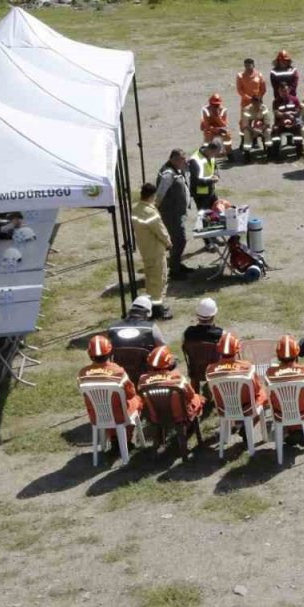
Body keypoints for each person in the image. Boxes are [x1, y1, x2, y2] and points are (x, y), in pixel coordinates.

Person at [78, 334, 142, 433]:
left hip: (97, 416)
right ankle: (127, 439)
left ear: (90, 354)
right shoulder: (118, 372)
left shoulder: (82, 374)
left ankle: (113, 439)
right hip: (120, 416)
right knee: (137, 400)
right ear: (109, 353)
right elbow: (130, 394)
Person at [266, 335, 304, 444]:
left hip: (281, 412)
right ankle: (300, 429)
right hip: (302, 411)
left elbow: (269, 394)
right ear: (296, 353)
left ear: (278, 355)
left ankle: (289, 430)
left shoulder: (270, 373)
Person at [131, 183, 173, 319]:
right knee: (159, 280)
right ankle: (157, 310)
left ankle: (154, 306)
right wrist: (168, 243)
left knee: (151, 278)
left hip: (145, 248)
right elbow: (160, 231)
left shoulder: (135, 209)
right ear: (152, 196)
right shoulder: (150, 212)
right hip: (155, 250)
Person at [138, 345, 206, 424]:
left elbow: (142, 399)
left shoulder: (142, 380)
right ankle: (189, 426)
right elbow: (191, 395)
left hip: (156, 417)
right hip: (180, 416)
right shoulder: (178, 378)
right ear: (169, 362)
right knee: (198, 398)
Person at [206, 331, 269, 416]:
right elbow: (256, 390)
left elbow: (211, 391)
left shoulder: (210, 369)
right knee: (263, 394)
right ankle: (252, 423)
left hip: (224, 409)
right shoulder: (247, 367)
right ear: (237, 350)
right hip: (246, 408)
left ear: (219, 349)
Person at [155, 148, 192, 281]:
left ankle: (176, 265)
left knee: (177, 240)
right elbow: (159, 195)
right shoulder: (168, 174)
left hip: (177, 212)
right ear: (174, 160)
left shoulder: (177, 169)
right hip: (171, 214)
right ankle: (175, 271)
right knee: (179, 240)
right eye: (182, 159)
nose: (185, 161)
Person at [188, 143, 220, 212]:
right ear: (210, 150)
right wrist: (211, 180)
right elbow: (195, 181)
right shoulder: (195, 161)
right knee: (205, 217)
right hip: (201, 195)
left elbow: (214, 167)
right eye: (214, 154)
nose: (214, 156)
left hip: (211, 191)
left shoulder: (211, 155)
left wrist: (216, 175)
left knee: (217, 212)